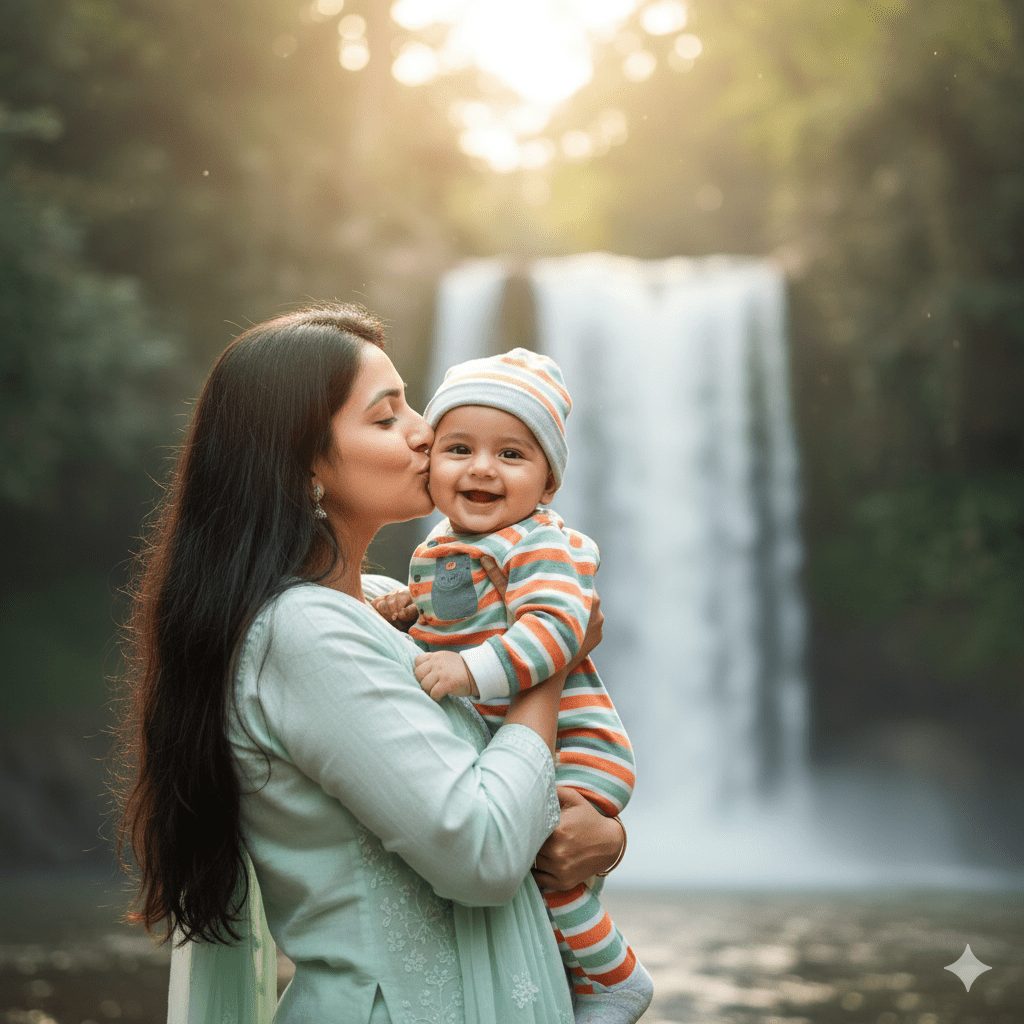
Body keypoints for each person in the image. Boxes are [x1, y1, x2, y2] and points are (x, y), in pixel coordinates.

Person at [115, 304, 629, 1024]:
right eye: (387, 419)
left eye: (411, 404)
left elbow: (521, 789)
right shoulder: (303, 634)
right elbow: (481, 854)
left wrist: (600, 836)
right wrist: (550, 661)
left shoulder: (393, 607)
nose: (428, 432)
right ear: (303, 468)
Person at [371, 349, 653, 1024]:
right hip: (522, 744)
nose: (481, 469)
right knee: (540, 866)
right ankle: (572, 977)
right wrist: (408, 610)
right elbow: (456, 615)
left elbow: (559, 628)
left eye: (512, 456)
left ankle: (615, 977)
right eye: (459, 447)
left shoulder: (542, 544)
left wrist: (468, 669)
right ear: (433, 462)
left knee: (552, 873)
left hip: (576, 750)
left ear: (549, 485)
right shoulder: (444, 546)